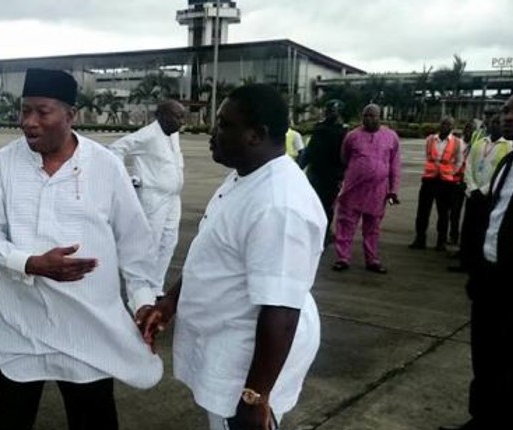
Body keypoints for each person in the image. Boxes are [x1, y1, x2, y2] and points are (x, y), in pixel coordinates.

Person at [0, 68, 162, 430]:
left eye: (42, 111)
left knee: (94, 420)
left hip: (87, 325)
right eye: (24, 111)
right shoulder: (2, 166)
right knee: (11, 420)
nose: (29, 122)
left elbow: (136, 243)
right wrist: (30, 263)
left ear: (70, 115)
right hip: (22, 325)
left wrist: (143, 299)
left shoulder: (106, 166)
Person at [139, 84, 326, 430]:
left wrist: (256, 396)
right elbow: (212, 253)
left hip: (247, 362)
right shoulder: (245, 175)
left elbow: (282, 310)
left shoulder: (279, 205)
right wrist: (170, 303)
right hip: (227, 345)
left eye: (224, 125)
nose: (213, 133)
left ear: (257, 135)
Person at [439, 90, 513, 430]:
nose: (508, 117)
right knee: (485, 357)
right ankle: (481, 419)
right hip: (489, 279)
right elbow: (494, 217)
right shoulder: (507, 160)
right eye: (505, 111)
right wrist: (475, 269)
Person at [108, 99, 187, 295]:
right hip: (154, 197)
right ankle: (139, 290)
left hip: (173, 198)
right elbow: (116, 149)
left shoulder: (173, 135)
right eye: (178, 116)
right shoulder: (148, 135)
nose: (182, 121)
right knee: (150, 244)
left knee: (169, 241)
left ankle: (156, 287)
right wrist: (128, 178)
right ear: (163, 116)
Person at [332, 104, 401, 274]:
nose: (368, 119)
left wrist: (393, 190)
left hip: (378, 191)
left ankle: (372, 260)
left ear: (379, 117)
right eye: (365, 116)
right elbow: (345, 157)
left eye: (372, 116)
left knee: (372, 227)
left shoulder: (391, 137)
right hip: (353, 189)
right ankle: (342, 258)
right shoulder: (352, 136)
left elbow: (395, 165)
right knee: (346, 223)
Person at [448, 115, 511, 273]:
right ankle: (465, 261)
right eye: (492, 123)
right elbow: (468, 165)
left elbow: (502, 172)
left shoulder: (508, 146)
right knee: (468, 228)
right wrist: (473, 187)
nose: (495, 126)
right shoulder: (479, 143)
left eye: (498, 123)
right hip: (473, 194)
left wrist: (483, 190)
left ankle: (478, 263)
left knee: (483, 230)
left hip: (489, 196)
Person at [409, 116, 463, 251]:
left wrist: (451, 172)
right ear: (440, 125)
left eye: (449, 124)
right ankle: (420, 239)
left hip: (445, 182)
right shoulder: (430, 139)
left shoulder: (457, 142)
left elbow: (459, 161)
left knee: (444, 212)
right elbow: (427, 156)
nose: (446, 126)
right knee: (422, 211)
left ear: (452, 127)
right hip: (429, 179)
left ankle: (441, 241)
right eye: (444, 123)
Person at [299, 99, 347, 243]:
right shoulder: (339, 130)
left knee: (320, 205)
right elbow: (310, 150)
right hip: (324, 175)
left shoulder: (326, 129)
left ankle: (321, 233)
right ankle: (323, 233)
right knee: (323, 205)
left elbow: (309, 151)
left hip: (324, 175)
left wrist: (299, 166)